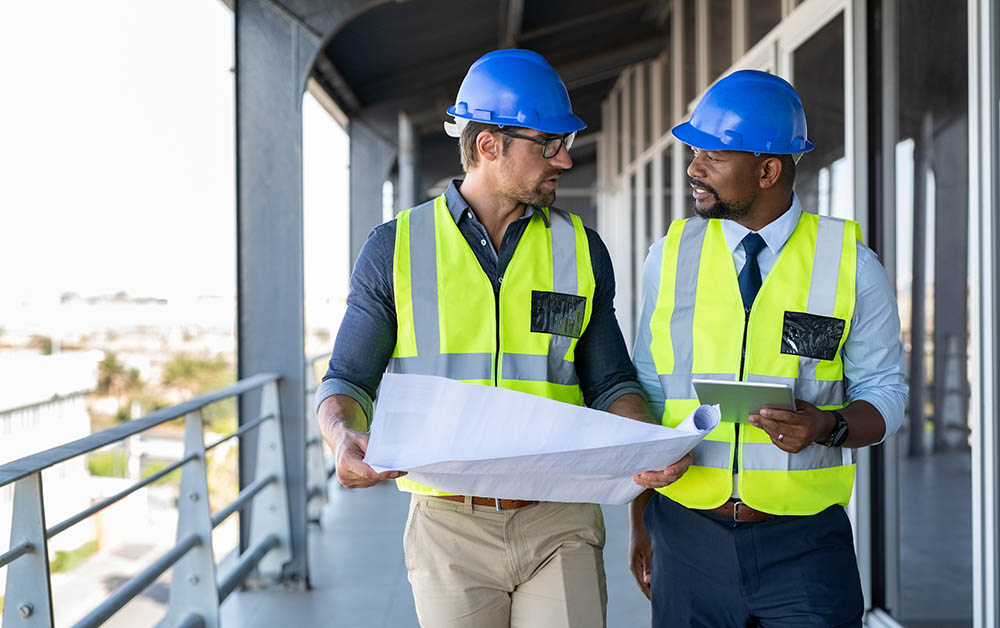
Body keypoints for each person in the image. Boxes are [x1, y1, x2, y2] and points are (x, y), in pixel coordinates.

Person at [315, 48, 690, 628]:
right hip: (448, 528)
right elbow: (346, 380)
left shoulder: (581, 249)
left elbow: (611, 381)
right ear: (489, 146)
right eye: (549, 145)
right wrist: (342, 437)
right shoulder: (396, 248)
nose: (565, 160)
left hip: (560, 519)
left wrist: (643, 444)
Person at [628, 69, 908, 627]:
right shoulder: (669, 255)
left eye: (713, 155)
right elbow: (649, 391)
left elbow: (887, 391)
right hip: (685, 535)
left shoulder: (849, 263)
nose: (693, 168)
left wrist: (826, 426)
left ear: (768, 169)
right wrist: (642, 522)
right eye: (694, 151)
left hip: (804, 547)